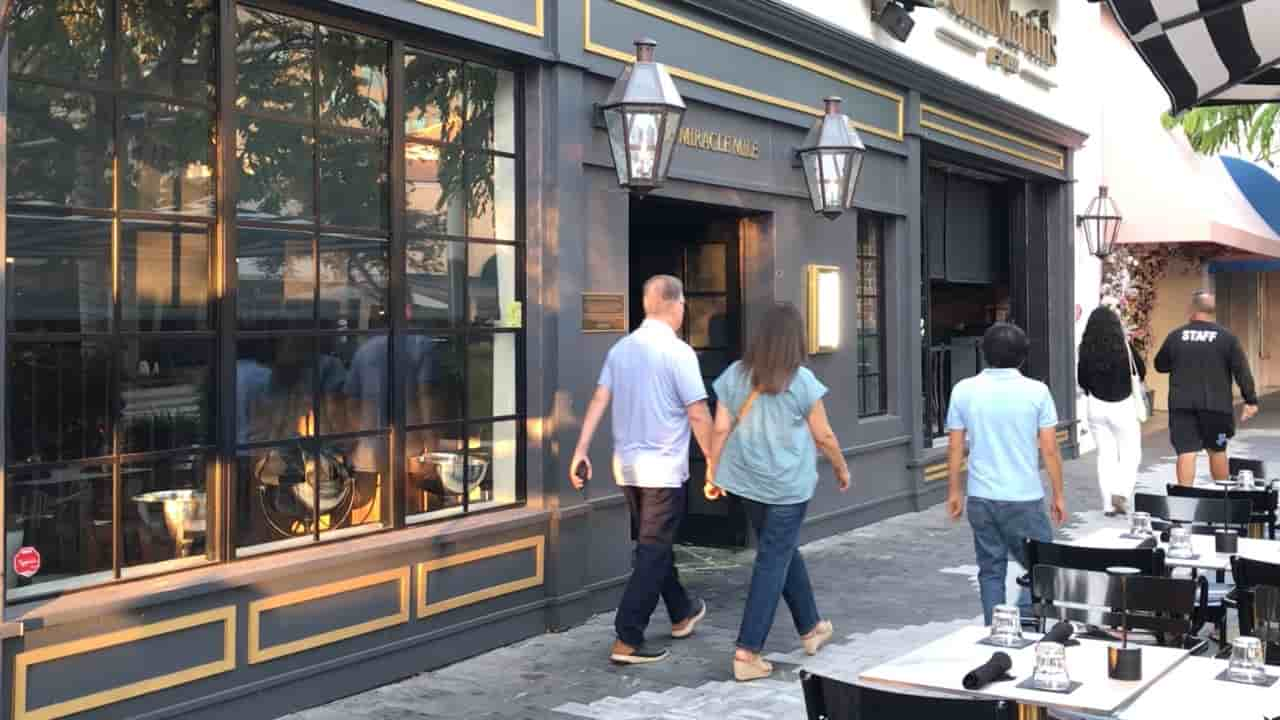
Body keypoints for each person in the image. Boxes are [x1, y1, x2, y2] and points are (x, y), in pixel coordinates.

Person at [568, 275, 713, 665]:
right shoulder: (678, 353)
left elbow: (600, 397)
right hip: (663, 471)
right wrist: (716, 460)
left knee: (655, 547)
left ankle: (681, 612)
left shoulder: (621, 349)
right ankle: (628, 637)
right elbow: (698, 412)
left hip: (627, 469)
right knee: (652, 551)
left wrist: (581, 449)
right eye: (683, 305)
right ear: (676, 305)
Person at [704, 303, 851, 682]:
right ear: (794, 340)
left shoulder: (734, 376)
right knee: (773, 559)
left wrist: (712, 471)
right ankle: (747, 651)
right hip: (788, 487)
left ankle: (811, 627)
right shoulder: (801, 380)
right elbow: (824, 435)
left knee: (780, 549)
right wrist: (840, 467)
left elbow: (720, 430)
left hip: (748, 484)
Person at [945, 323, 1066, 625]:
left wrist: (954, 492)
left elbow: (956, 448)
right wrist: (1058, 494)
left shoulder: (964, 390)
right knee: (1041, 565)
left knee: (990, 569)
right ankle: (1026, 619)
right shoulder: (1037, 392)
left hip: (981, 496)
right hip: (1023, 496)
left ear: (984, 353)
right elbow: (1049, 449)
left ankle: (995, 630)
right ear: (1023, 356)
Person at [1154, 290, 1258, 486]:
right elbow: (1241, 370)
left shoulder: (1176, 336)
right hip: (1216, 407)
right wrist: (1250, 400)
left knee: (1186, 452)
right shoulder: (1227, 338)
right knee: (1218, 450)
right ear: (1213, 311)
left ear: (1192, 309)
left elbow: (1160, 365)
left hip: (1182, 406)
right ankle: (1222, 497)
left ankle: (1184, 502)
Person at [1077, 304, 1146, 516]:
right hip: (1123, 407)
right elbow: (1141, 371)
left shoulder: (1085, 348)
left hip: (1096, 407)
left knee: (1105, 456)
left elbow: (1082, 380)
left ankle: (1107, 504)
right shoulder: (1124, 346)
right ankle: (1121, 492)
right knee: (1130, 453)